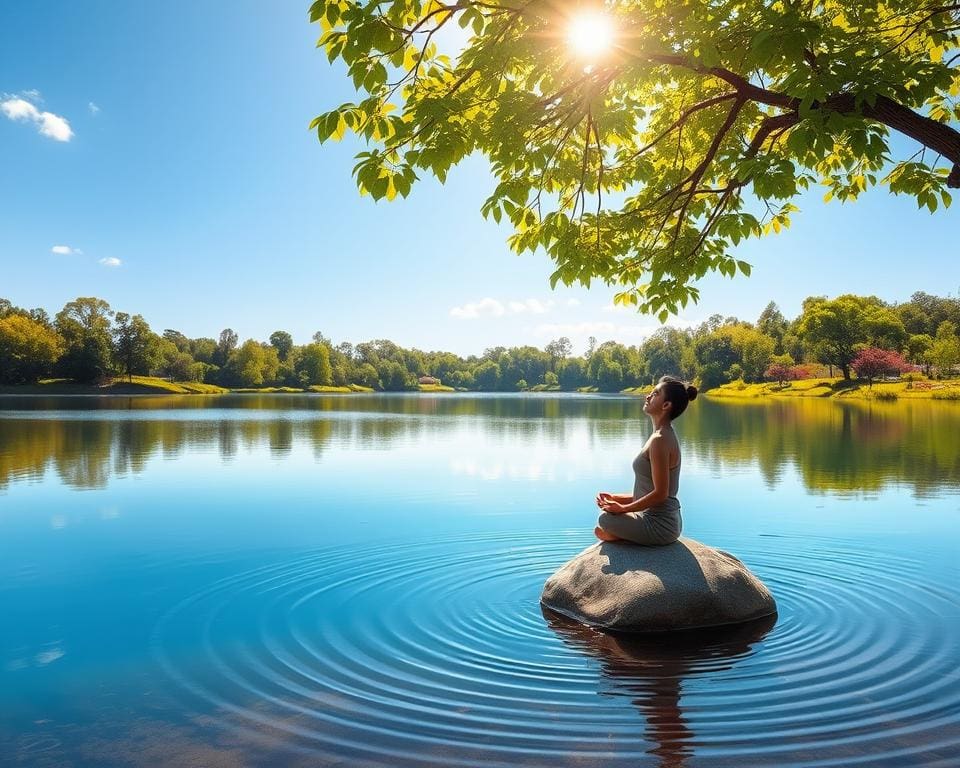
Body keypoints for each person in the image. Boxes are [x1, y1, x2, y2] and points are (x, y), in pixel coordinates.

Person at [594, 376, 698, 545]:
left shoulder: (660, 440)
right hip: (661, 519)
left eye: (655, 393)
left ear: (666, 405)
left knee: (605, 520)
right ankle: (623, 534)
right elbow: (647, 492)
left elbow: (660, 494)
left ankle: (621, 536)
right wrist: (616, 498)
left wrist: (623, 509)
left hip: (660, 525)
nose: (648, 396)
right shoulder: (659, 436)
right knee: (607, 519)